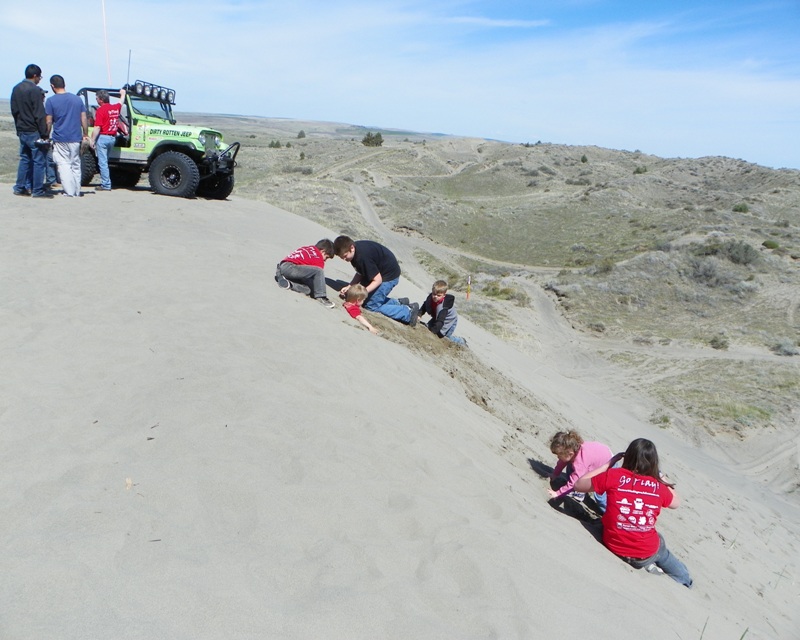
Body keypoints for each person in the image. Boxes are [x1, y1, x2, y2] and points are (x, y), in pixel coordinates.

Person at [574, 438, 693, 587]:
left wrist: (608, 465)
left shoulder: (614, 475)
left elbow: (578, 484)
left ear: (627, 456)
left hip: (614, 544)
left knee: (607, 521)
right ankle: (684, 580)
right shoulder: (658, 486)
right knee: (660, 546)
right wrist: (661, 477)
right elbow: (676, 503)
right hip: (644, 551)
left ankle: (651, 565)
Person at [333, 235, 419, 326]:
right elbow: (360, 272)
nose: (344, 259)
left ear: (352, 248)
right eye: (342, 257)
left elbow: (378, 280)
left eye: (345, 256)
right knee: (365, 300)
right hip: (378, 272)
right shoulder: (354, 255)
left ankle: (408, 312)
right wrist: (349, 286)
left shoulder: (362, 257)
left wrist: (362, 293)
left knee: (371, 306)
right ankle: (398, 303)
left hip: (388, 276)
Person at [10, 63, 52, 198]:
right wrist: (45, 134)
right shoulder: (34, 90)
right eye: (39, 77)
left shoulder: (16, 89)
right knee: (39, 160)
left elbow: (14, 111)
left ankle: (20, 187)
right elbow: (39, 114)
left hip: (22, 129)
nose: (40, 79)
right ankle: (37, 190)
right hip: (33, 130)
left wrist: (18, 128)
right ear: (35, 76)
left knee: (24, 159)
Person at [547, 430, 612, 512]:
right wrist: (555, 474)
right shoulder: (573, 449)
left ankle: (611, 513)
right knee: (570, 466)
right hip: (601, 454)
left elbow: (574, 482)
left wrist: (557, 493)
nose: (558, 457)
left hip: (608, 466)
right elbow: (562, 462)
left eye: (559, 455)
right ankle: (579, 492)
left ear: (570, 454)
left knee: (600, 497)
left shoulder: (580, 462)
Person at [45, 74, 88, 197]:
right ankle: (77, 190)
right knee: (75, 164)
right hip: (76, 137)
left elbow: (48, 121)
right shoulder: (77, 99)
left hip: (60, 138)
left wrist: (46, 135)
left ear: (52, 86)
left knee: (64, 165)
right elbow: (83, 118)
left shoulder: (51, 101)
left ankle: (69, 191)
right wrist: (85, 133)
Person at [276, 239, 336, 308]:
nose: (325, 260)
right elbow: (317, 274)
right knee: (318, 275)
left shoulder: (307, 248)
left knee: (308, 289)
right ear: (322, 252)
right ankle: (322, 297)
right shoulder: (319, 259)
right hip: (291, 268)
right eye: (326, 257)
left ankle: (289, 284)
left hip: (283, 266)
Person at [90, 88, 126, 191]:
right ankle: (107, 182)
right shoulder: (115, 108)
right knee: (106, 161)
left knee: (103, 162)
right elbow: (121, 102)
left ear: (101, 99)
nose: (96, 100)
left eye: (97, 98)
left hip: (103, 137)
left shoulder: (101, 110)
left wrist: (92, 140)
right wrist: (122, 94)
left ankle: (106, 184)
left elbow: (97, 127)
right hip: (112, 138)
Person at [418, 280, 467, 346]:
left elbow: (440, 322)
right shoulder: (430, 297)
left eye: (438, 295)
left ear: (444, 295)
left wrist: (432, 332)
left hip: (449, 320)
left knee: (444, 336)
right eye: (434, 294)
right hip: (437, 317)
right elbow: (425, 305)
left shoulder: (443, 308)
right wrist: (419, 314)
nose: (435, 297)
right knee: (429, 326)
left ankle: (460, 341)